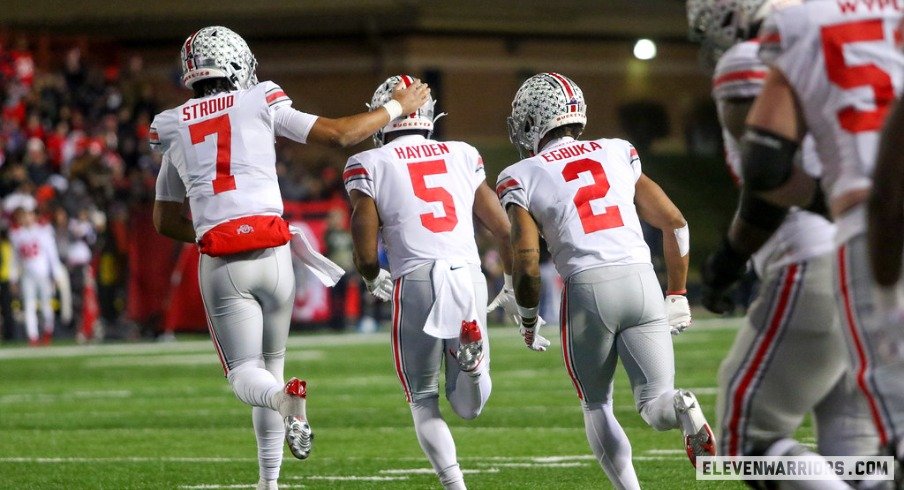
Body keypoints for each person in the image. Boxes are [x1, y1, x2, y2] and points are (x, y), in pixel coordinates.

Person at [150, 27, 429, 490]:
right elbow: (341, 135)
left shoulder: (172, 124)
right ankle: (269, 482)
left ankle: (281, 408)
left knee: (246, 375)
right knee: (272, 365)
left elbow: (163, 219)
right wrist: (398, 105)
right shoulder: (260, 98)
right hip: (276, 252)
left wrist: (208, 232)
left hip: (224, 261)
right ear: (239, 63)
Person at [689, 1, 880, 483]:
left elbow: (769, 177)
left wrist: (729, 260)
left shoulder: (752, 56)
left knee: (741, 445)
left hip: (817, 258)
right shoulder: (861, 48)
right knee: (855, 449)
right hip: (878, 261)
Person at [497, 72, 712, 488]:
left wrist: (526, 318)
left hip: (588, 287)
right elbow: (676, 223)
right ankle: (684, 406)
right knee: (656, 405)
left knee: (596, 404)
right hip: (643, 281)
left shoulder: (521, 173)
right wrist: (679, 293)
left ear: (530, 120)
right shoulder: (616, 150)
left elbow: (526, 259)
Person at [345, 74, 513, 490]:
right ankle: (472, 369)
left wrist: (371, 276)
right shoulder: (463, 153)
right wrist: (511, 280)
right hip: (467, 274)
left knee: (422, 399)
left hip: (417, 277)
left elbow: (365, 251)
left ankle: (455, 485)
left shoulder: (369, 163)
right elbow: (503, 228)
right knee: (470, 406)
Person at [8, 206, 66, 346]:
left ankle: (47, 331)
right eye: (24, 216)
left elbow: (52, 255)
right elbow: (15, 259)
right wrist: (13, 278)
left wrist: (56, 274)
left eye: (29, 215)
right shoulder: (17, 235)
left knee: (46, 307)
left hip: (43, 275)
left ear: (34, 217)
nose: (26, 218)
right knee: (29, 306)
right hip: (27, 276)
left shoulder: (43, 232)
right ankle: (32, 337)